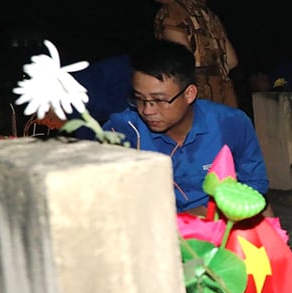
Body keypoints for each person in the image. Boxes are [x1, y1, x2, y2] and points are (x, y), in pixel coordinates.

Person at [105, 39, 271, 217]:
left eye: (159, 100)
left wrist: (211, 212)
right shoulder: (122, 131)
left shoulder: (231, 124)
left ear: (189, 94)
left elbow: (256, 187)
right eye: (139, 98)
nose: (147, 110)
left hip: (218, 224)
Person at [144, 0, 241, 108]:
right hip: (226, 101)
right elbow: (231, 60)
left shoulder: (170, 13)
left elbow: (178, 63)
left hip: (197, 104)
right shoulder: (207, 12)